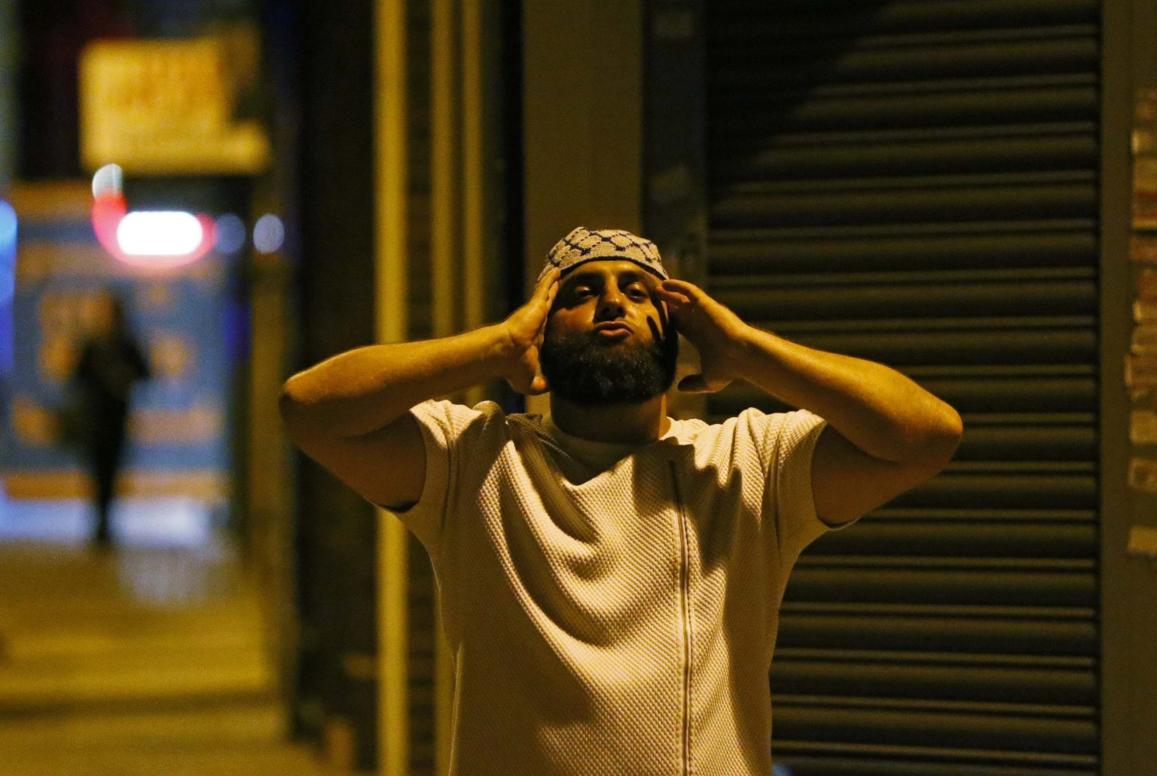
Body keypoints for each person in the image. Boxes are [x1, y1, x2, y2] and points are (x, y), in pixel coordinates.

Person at [280, 227, 963, 775]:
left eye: (639, 292)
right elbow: (310, 409)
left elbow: (926, 436)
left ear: (675, 336)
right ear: (541, 335)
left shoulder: (748, 463)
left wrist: (749, 351)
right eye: (581, 292)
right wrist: (493, 347)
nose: (614, 303)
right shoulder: (474, 460)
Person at [69, 291, 150, 548]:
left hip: (115, 418)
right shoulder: (94, 344)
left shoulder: (125, 344)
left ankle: (105, 522)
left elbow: (145, 372)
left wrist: (123, 378)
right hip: (95, 418)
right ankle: (100, 522)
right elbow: (77, 376)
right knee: (98, 471)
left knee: (111, 472)